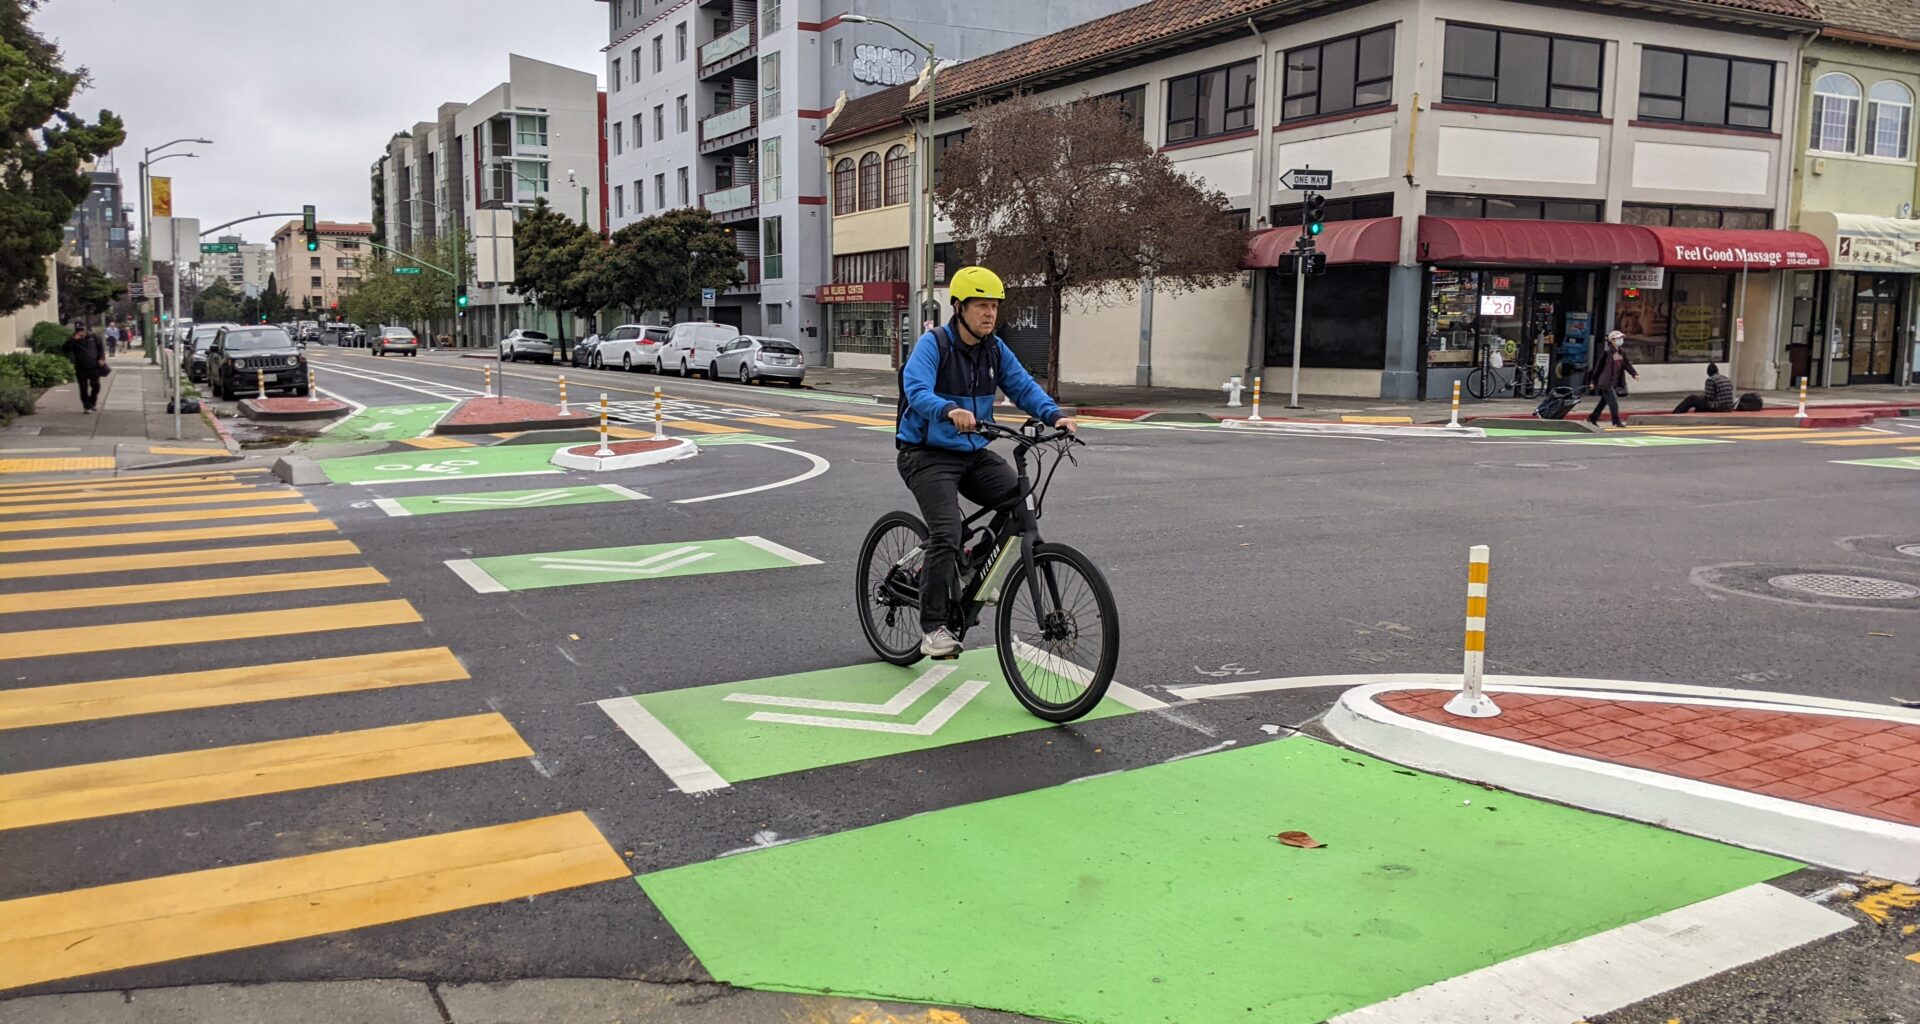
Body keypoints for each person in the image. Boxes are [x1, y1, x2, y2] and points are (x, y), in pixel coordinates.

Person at [896, 266, 1077, 658]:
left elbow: (1022, 385)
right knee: (945, 531)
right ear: (959, 307)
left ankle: (972, 560)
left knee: (1018, 499)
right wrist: (947, 410)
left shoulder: (994, 349)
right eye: (981, 305)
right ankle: (933, 628)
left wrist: (1054, 415)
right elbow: (916, 390)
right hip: (926, 454)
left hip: (971, 451)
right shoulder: (935, 345)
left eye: (994, 306)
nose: (989, 313)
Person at [1585, 330, 1639, 428]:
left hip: (1614, 381)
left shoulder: (1621, 352)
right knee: (1613, 401)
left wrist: (1634, 374)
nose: (1621, 340)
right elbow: (1598, 367)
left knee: (1604, 402)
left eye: (1621, 338)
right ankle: (1616, 421)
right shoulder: (1607, 352)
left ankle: (1592, 418)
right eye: (1618, 339)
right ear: (1612, 341)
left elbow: (1626, 364)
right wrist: (1593, 381)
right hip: (1605, 381)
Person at [66, 323, 107, 413]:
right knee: (83, 388)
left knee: (96, 385)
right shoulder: (73, 339)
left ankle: (92, 402)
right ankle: (87, 406)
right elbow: (65, 349)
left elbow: (101, 349)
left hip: (94, 366)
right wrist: (73, 340)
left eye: (81, 330)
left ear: (85, 329)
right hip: (81, 367)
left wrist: (101, 359)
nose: (80, 332)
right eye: (78, 330)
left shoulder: (94, 337)